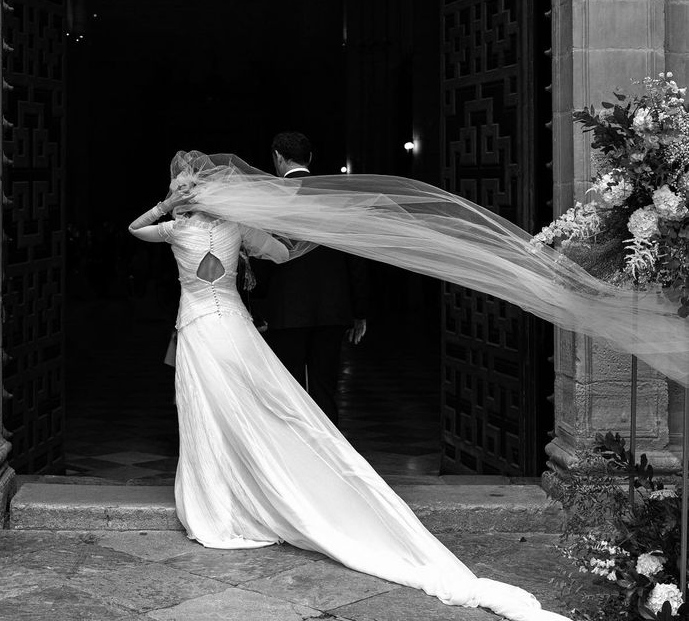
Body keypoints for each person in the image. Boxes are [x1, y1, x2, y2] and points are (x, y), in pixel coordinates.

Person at [129, 152, 570, 621]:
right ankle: (263, 486)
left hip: (198, 327)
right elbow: (284, 251)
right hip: (233, 327)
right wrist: (329, 227)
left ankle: (220, 504)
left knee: (207, 411)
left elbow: (135, 229)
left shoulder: (176, 230)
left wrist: (165, 204)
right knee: (264, 405)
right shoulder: (239, 228)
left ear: (185, 192)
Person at [255, 131, 368, 425]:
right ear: (310, 158)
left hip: (287, 308)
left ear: (277, 157)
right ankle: (330, 457)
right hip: (332, 308)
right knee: (325, 388)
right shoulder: (335, 198)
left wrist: (259, 305)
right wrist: (359, 312)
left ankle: (296, 457)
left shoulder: (271, 199)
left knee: (289, 389)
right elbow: (354, 257)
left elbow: (265, 256)